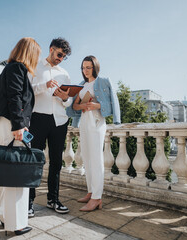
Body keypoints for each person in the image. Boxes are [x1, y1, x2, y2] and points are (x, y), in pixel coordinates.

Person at [0, 37, 41, 235]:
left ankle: (1, 212)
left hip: (5, 122)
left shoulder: (11, 68)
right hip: (12, 123)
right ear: (30, 53)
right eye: (36, 55)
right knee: (18, 175)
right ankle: (15, 223)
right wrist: (19, 125)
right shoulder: (18, 68)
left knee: (8, 171)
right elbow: (15, 96)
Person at [67, 55, 121, 212]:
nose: (85, 70)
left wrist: (96, 105)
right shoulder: (80, 85)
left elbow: (113, 103)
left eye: (88, 67)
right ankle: (91, 192)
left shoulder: (104, 81)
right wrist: (82, 105)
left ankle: (97, 198)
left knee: (97, 160)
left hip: (97, 123)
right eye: (83, 67)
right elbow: (73, 109)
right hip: (84, 122)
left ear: (95, 67)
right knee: (87, 158)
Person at [28, 38, 72, 216]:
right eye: (59, 54)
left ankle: (53, 199)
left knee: (56, 163)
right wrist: (44, 85)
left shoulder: (65, 74)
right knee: (34, 161)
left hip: (59, 121)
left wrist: (64, 97)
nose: (61, 58)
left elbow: (69, 102)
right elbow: (27, 90)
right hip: (38, 118)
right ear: (51, 49)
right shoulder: (35, 66)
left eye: (64, 56)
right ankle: (29, 201)